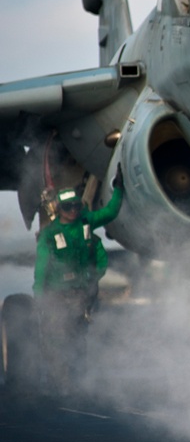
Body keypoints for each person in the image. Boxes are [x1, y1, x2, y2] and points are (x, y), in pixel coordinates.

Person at [33, 168, 124, 395]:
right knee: (56, 336)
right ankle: (59, 380)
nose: (73, 210)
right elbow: (41, 268)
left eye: (75, 206)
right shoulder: (50, 235)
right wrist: (39, 297)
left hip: (80, 294)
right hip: (56, 295)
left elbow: (111, 212)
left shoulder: (86, 222)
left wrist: (119, 188)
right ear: (59, 209)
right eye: (68, 207)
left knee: (76, 336)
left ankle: (75, 379)